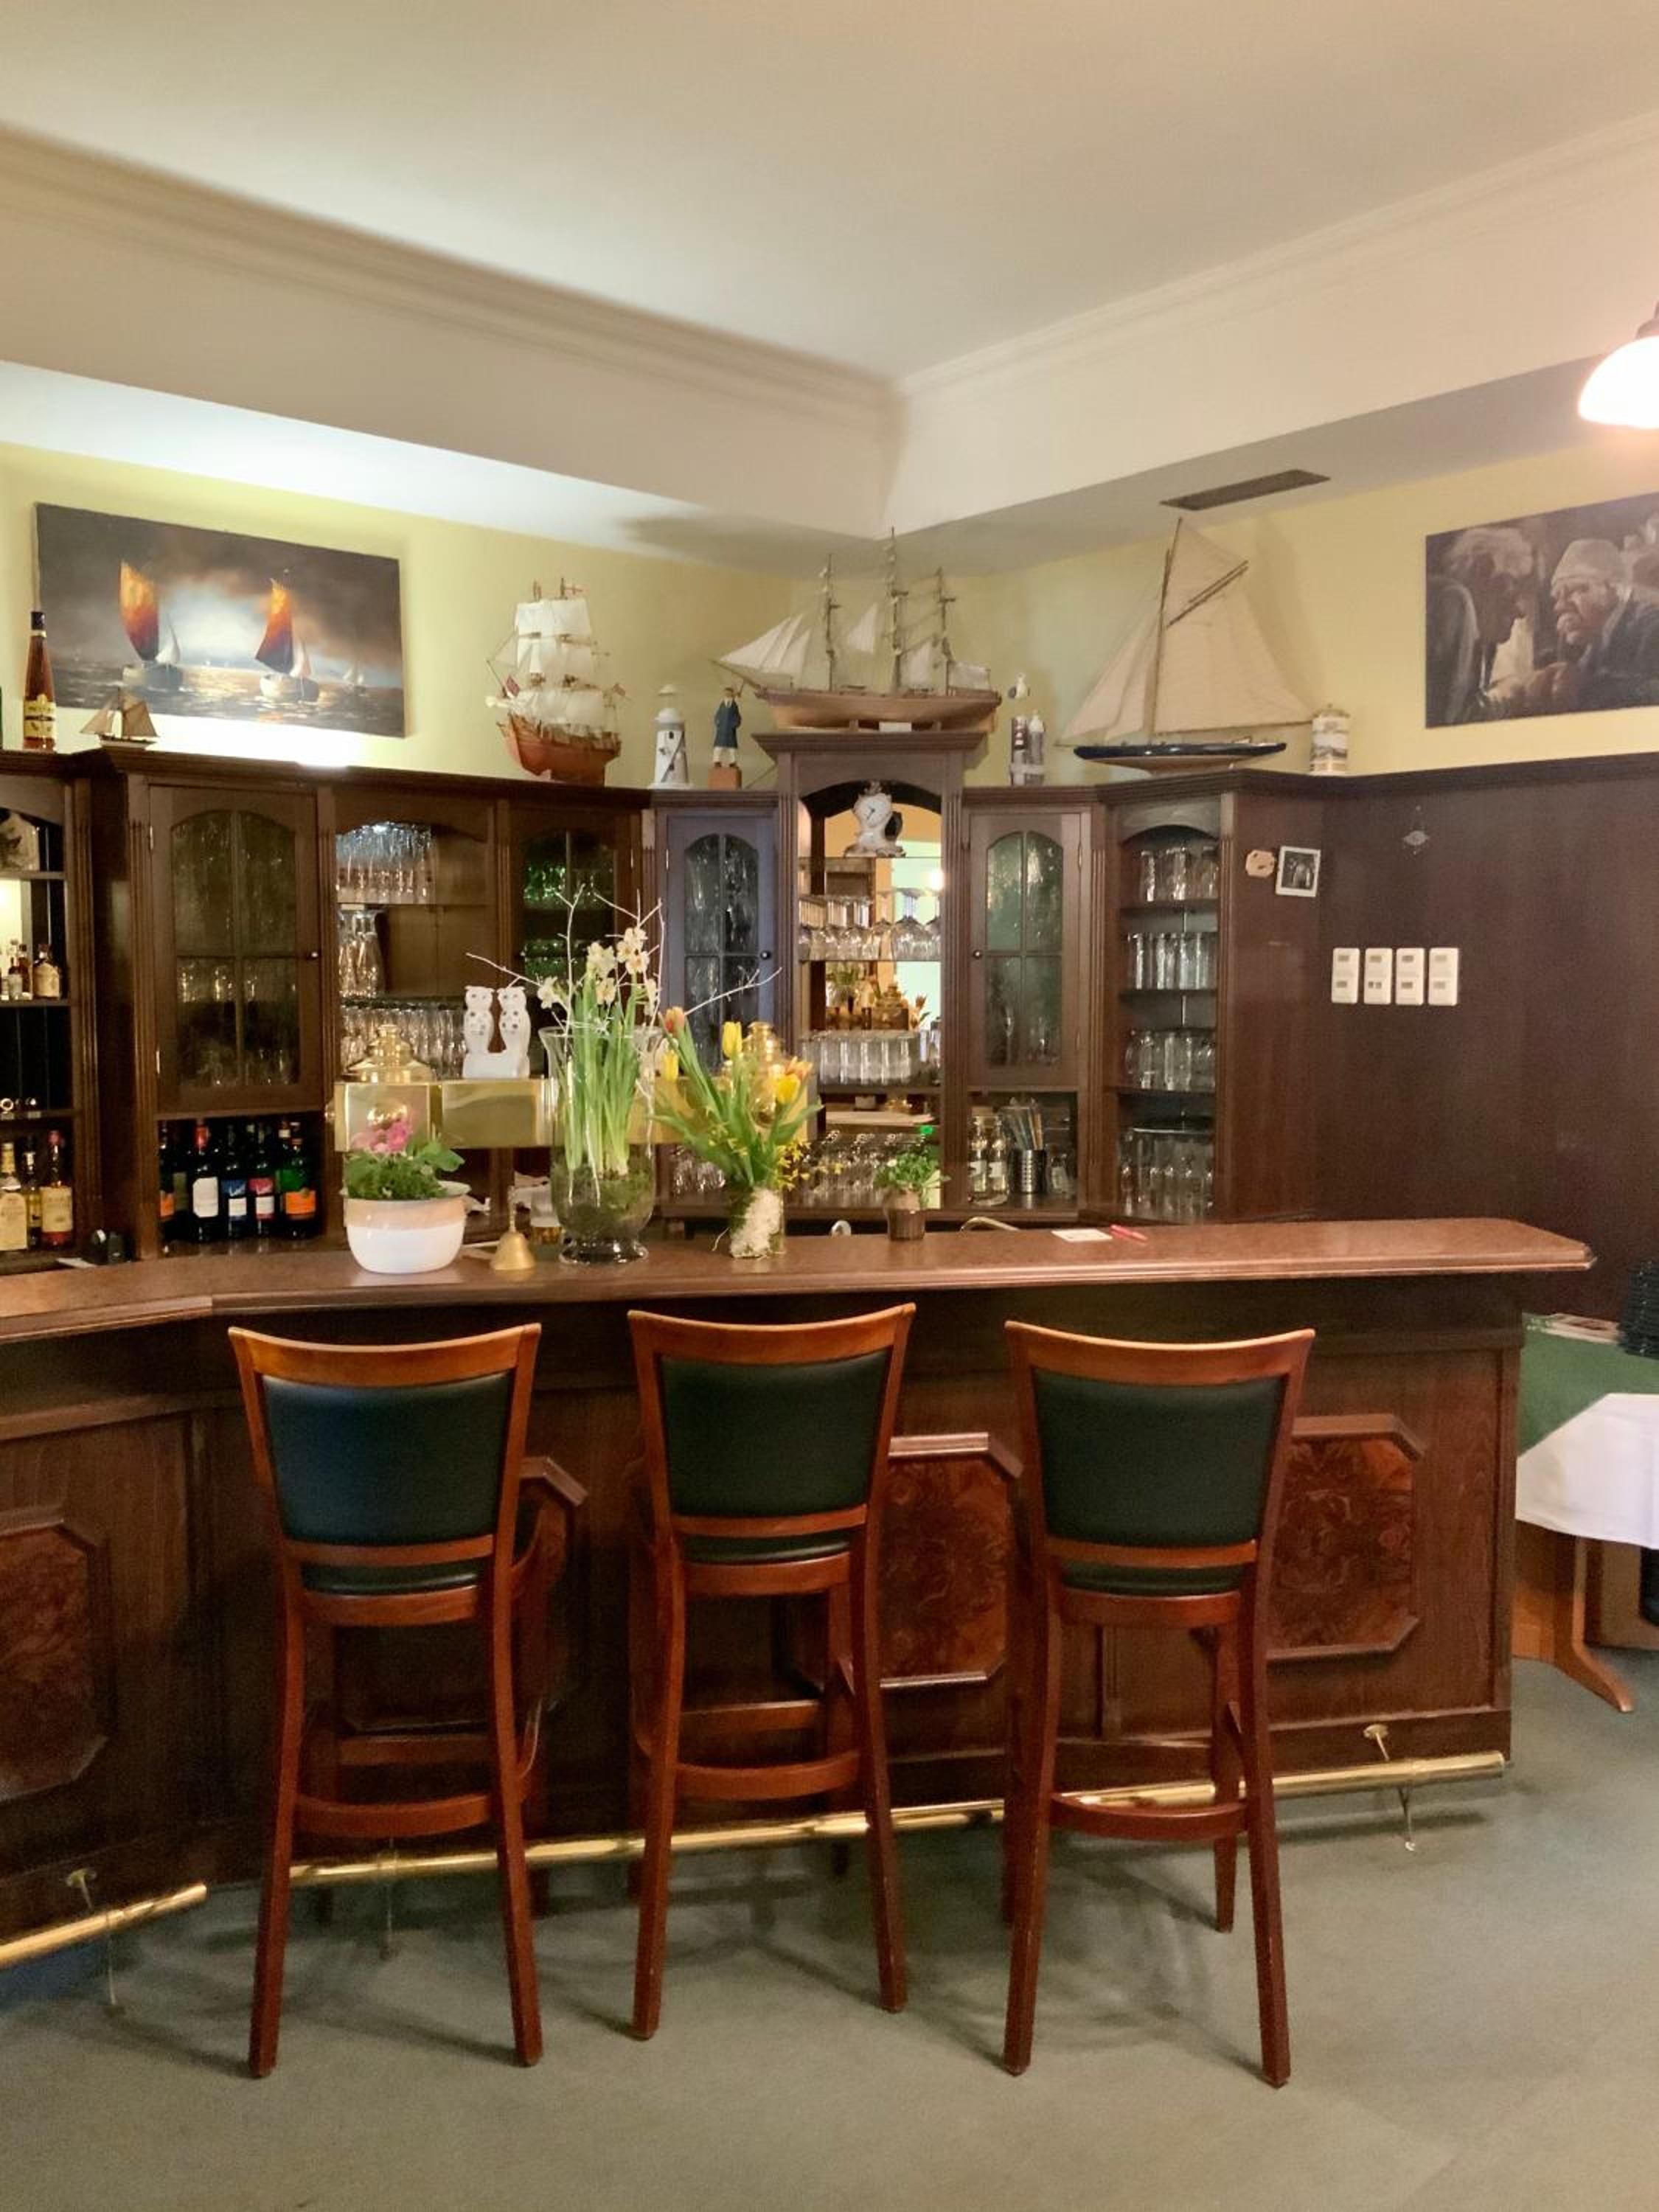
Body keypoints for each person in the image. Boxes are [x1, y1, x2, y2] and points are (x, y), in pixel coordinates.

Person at [1504, 538, 1659, 715]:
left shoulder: (1652, 625)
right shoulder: (1597, 637)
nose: (1560, 606)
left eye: (1574, 590)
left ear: (1613, 589)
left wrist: (1586, 687)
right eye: (1557, 597)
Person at [1426, 525, 1537, 723]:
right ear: (1481, 570)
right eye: (1511, 593)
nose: (1520, 612)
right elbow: (1454, 719)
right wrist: (1509, 694)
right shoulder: (1454, 599)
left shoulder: (1483, 639)